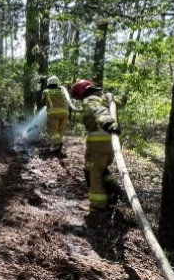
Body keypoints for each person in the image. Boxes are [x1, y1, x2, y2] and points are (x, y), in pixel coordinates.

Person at [71, 80, 120, 211]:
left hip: (98, 145)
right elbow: (118, 102)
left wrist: (109, 123)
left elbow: (99, 112)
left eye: (78, 96)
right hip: (110, 145)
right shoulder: (103, 97)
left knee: (92, 172)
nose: (80, 100)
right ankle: (112, 191)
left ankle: (98, 204)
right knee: (101, 168)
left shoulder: (91, 100)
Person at [42, 76, 75, 153]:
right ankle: (57, 148)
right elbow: (68, 101)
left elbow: (43, 102)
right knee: (60, 130)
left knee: (51, 129)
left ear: (49, 84)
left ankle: (57, 143)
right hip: (65, 113)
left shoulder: (46, 91)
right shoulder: (63, 91)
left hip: (54, 113)